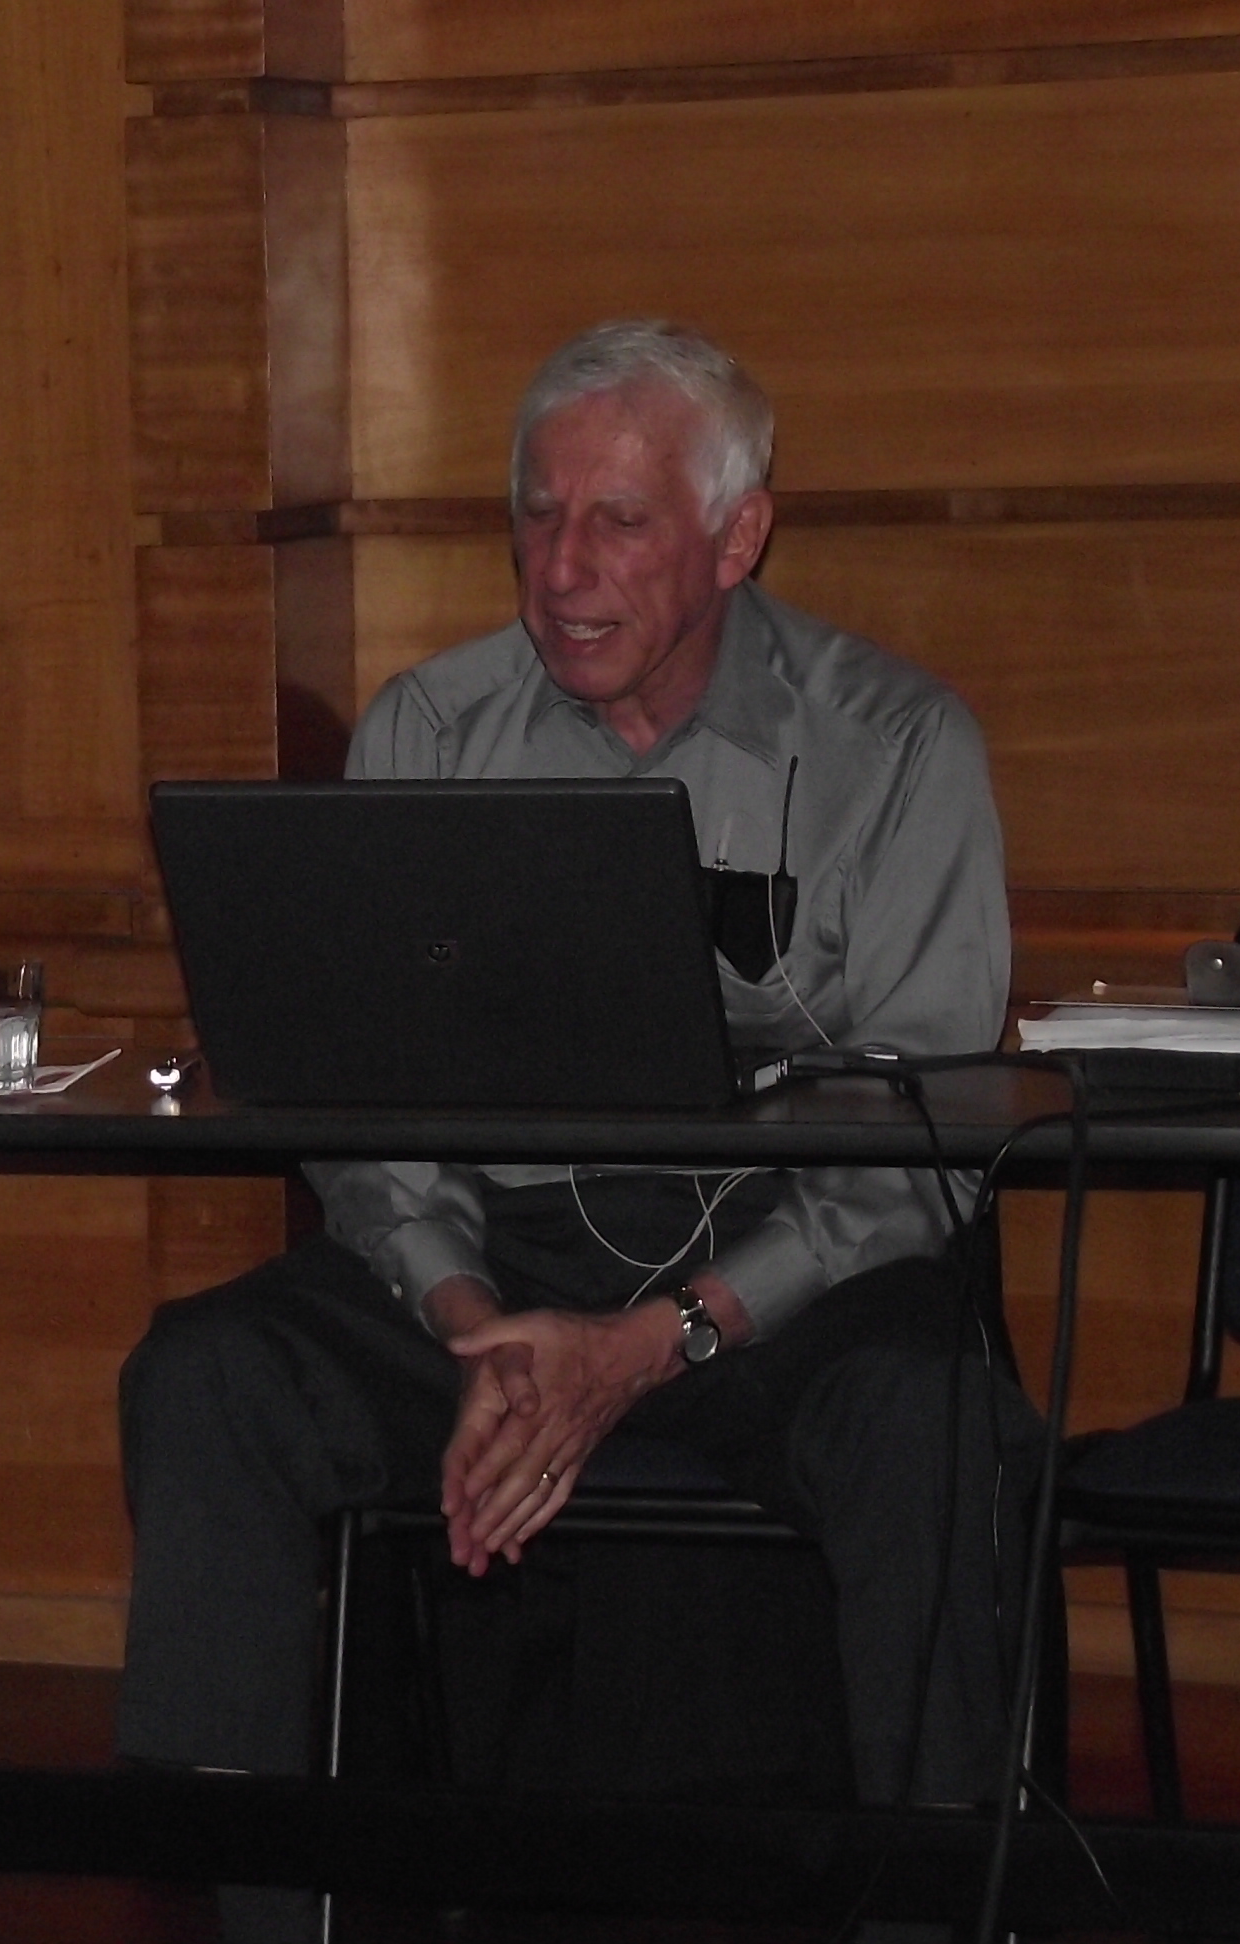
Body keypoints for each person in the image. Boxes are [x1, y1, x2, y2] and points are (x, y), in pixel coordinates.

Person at [114, 320, 1045, 1944]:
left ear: (738, 536)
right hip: (496, 1258)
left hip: (781, 1276)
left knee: (933, 1418)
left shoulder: (896, 748)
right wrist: (467, 1314)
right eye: (537, 517)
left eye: (618, 521)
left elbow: (930, 1150)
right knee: (210, 1374)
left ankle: (937, 1914)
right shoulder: (430, 730)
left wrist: (656, 1339)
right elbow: (361, 1103)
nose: (561, 569)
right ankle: (266, 1908)